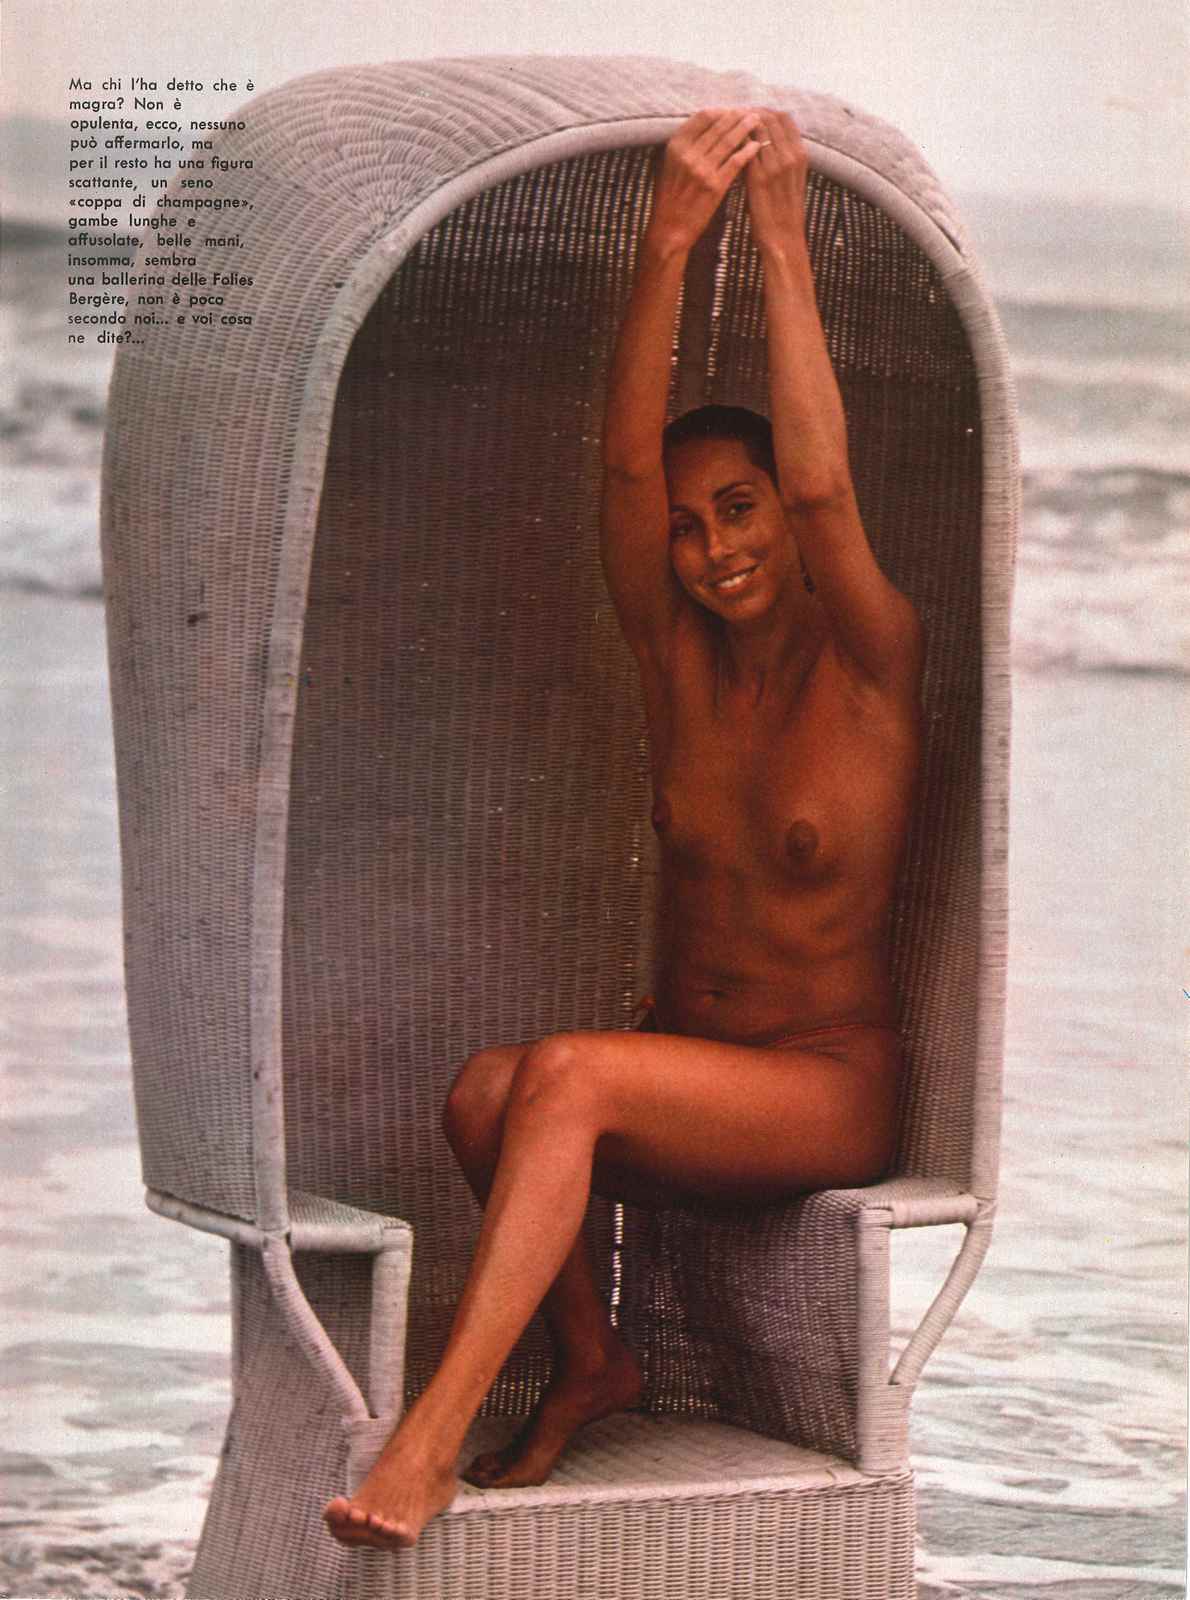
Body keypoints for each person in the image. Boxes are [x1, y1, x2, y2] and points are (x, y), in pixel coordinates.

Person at [324, 105, 923, 1553]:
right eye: (691, 528)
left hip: (823, 1085)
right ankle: (593, 1362)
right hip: (699, 1076)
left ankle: (424, 1443)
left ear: (788, 517)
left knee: (569, 1072)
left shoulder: (872, 660)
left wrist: (775, 233)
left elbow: (826, 477)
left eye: (741, 510)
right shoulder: (679, 671)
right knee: (486, 1091)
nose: (716, 548)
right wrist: (662, 245)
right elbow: (618, 480)